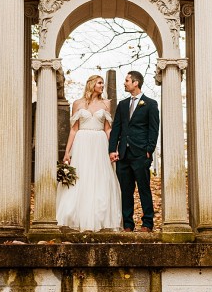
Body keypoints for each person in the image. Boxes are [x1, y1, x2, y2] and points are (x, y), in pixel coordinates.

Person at [56, 74, 122, 231]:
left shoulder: (106, 104)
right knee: (81, 176)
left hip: (99, 143)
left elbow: (107, 128)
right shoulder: (77, 103)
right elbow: (73, 129)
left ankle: (100, 217)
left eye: (103, 83)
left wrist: (113, 148)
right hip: (82, 142)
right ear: (91, 84)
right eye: (99, 83)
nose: (102, 86)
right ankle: (75, 216)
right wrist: (67, 152)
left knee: (100, 177)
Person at [108, 70, 159, 232]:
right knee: (126, 190)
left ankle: (147, 223)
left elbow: (154, 129)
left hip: (141, 154)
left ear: (135, 83)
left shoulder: (150, 104)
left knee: (144, 188)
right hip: (123, 154)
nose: (125, 83)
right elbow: (116, 128)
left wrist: (149, 150)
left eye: (127, 80)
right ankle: (128, 224)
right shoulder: (122, 105)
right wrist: (112, 149)